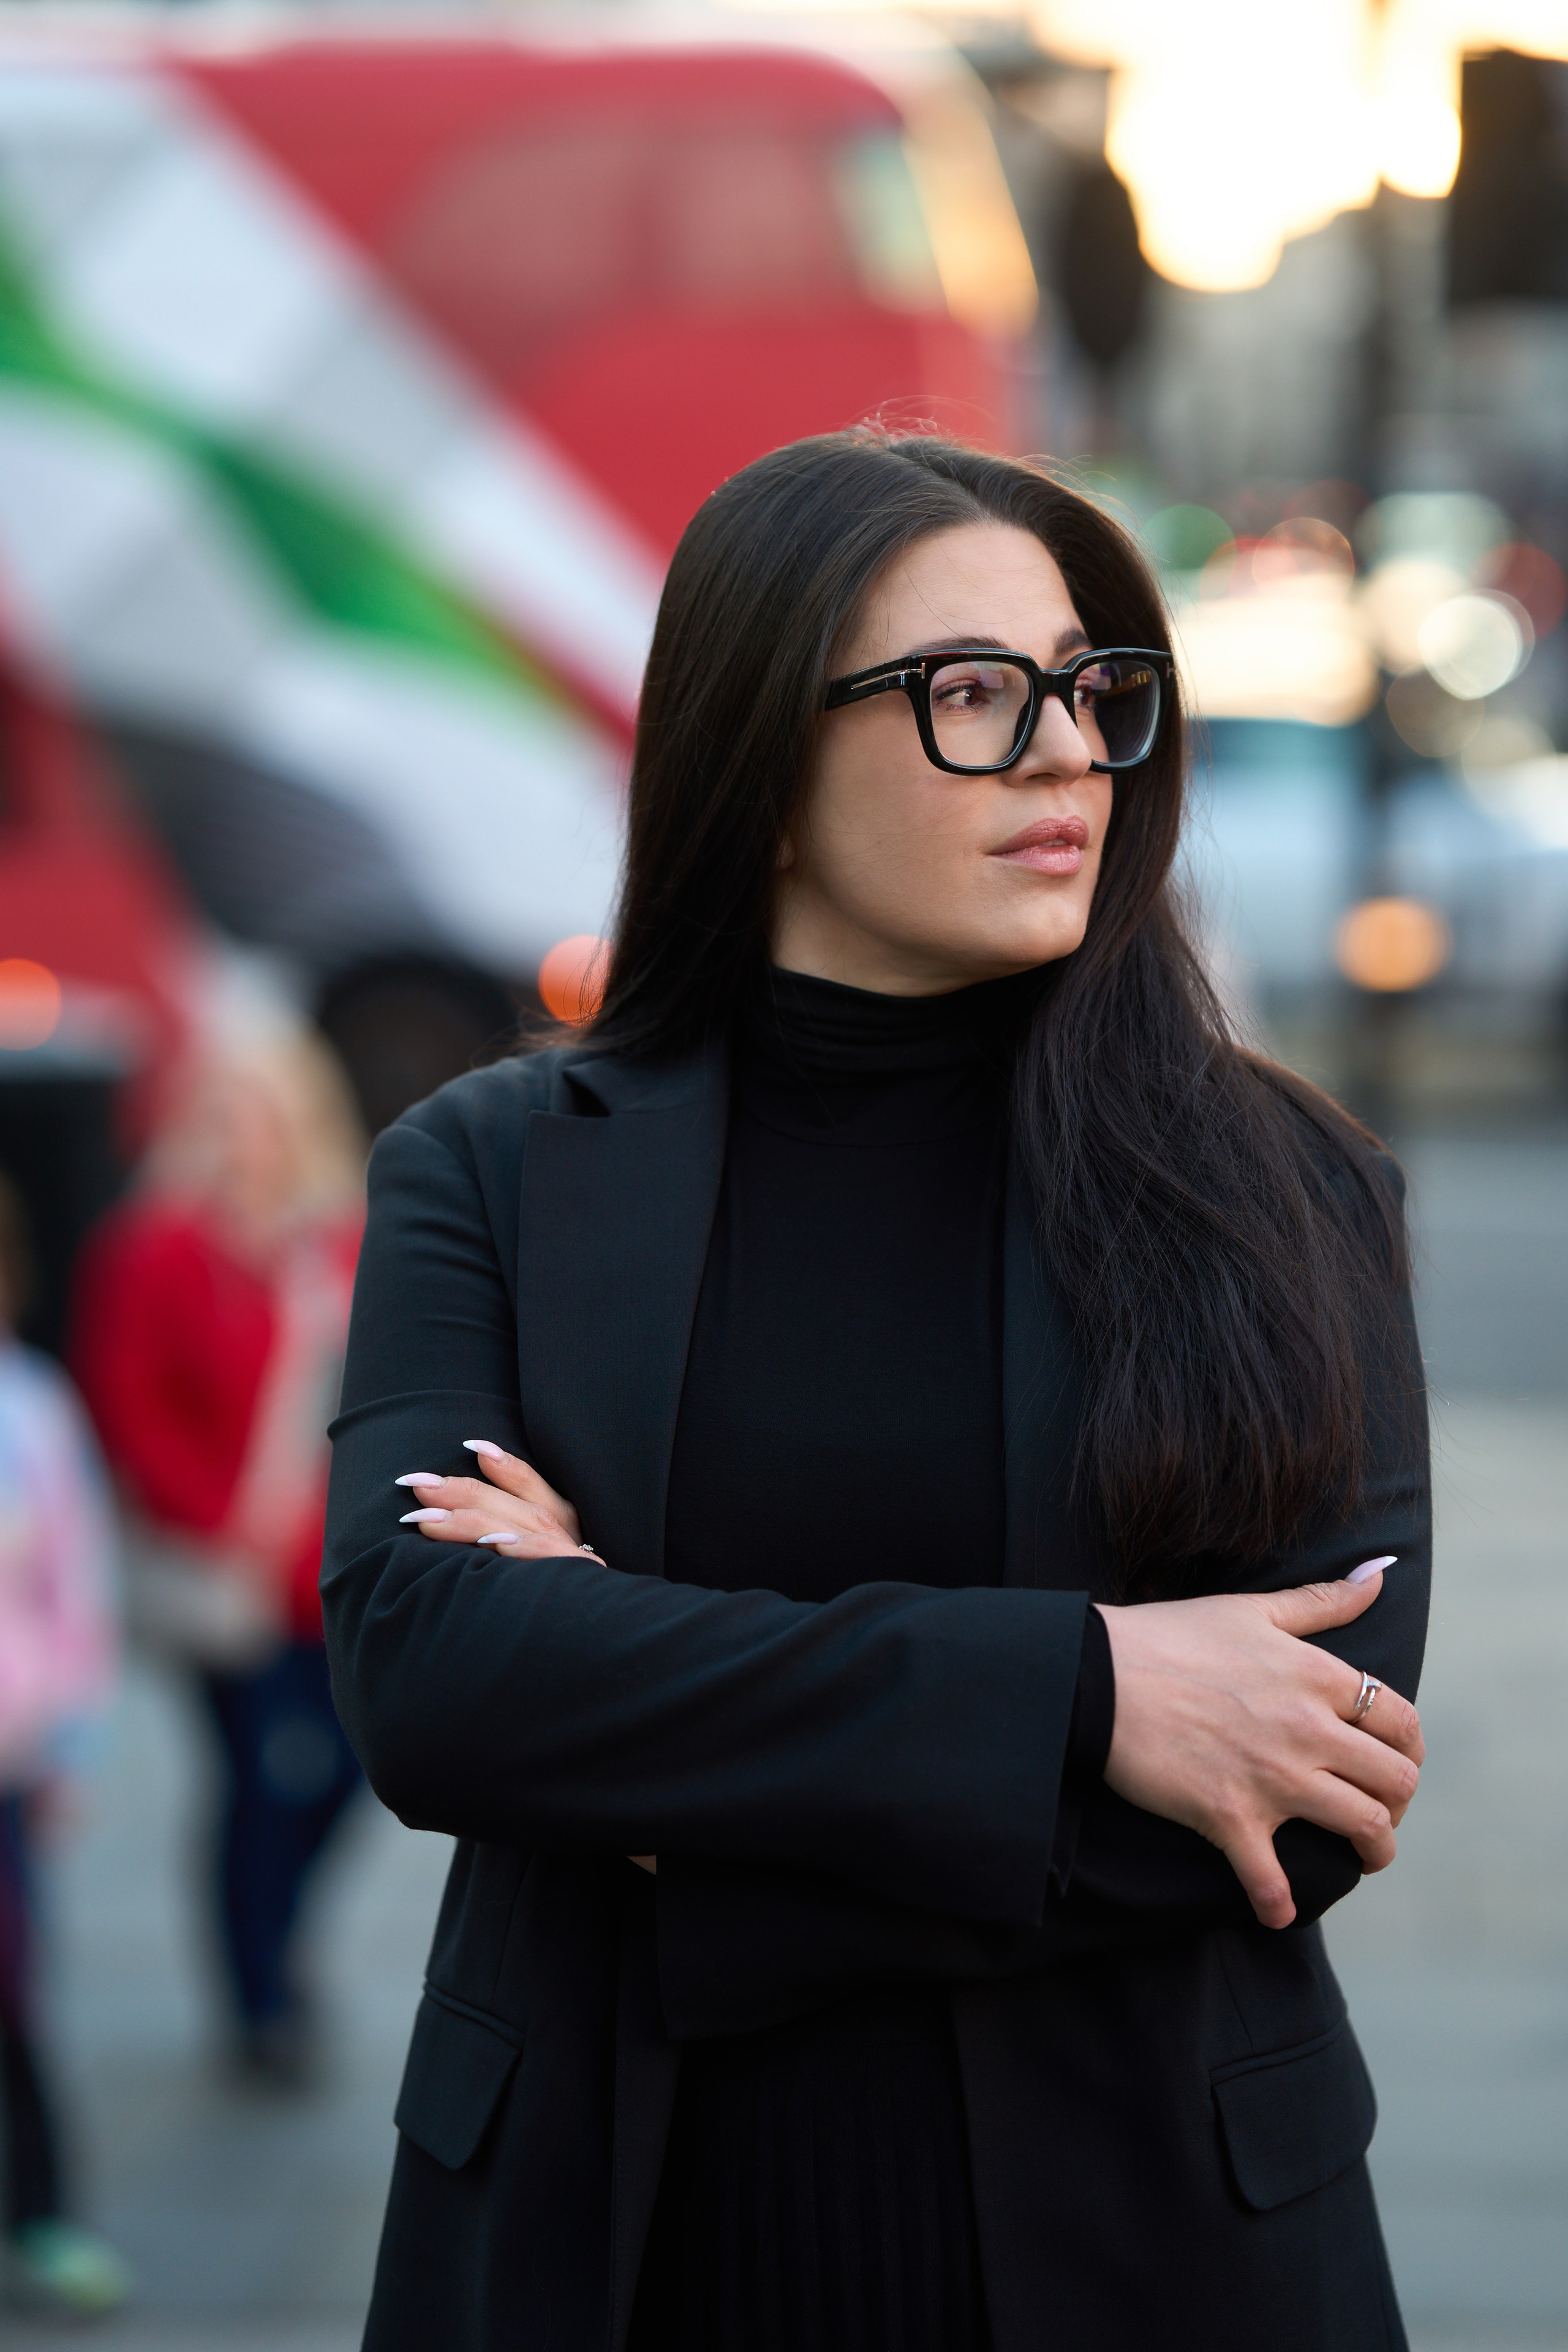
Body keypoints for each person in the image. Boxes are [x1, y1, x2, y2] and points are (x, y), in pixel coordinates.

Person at [323, 431, 1430, 2352]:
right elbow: (435, 1682)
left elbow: (1303, 1795)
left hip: (1158, 2240)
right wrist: (1088, 1692)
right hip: (619, 2239)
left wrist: (661, 1785)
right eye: (974, 697)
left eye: (1095, 693)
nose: (1074, 753)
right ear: (758, 764)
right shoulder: (492, 1166)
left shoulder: (1289, 1188)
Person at [72, 1033, 364, 2085]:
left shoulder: (344, 1243)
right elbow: (129, 1407)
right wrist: (213, 1518)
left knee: (348, 1771)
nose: (246, 1132)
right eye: (227, 1108)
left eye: (265, 1108)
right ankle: (260, 2000)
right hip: (222, 1579)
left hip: (330, 1573)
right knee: (255, 1778)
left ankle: (279, 1932)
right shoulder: (152, 1246)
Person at [0, 1172, 129, 2317]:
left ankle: (37, 2211)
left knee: (13, 1991)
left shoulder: (29, 1409)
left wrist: (73, 1746)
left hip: (8, 1761)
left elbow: (76, 1591)